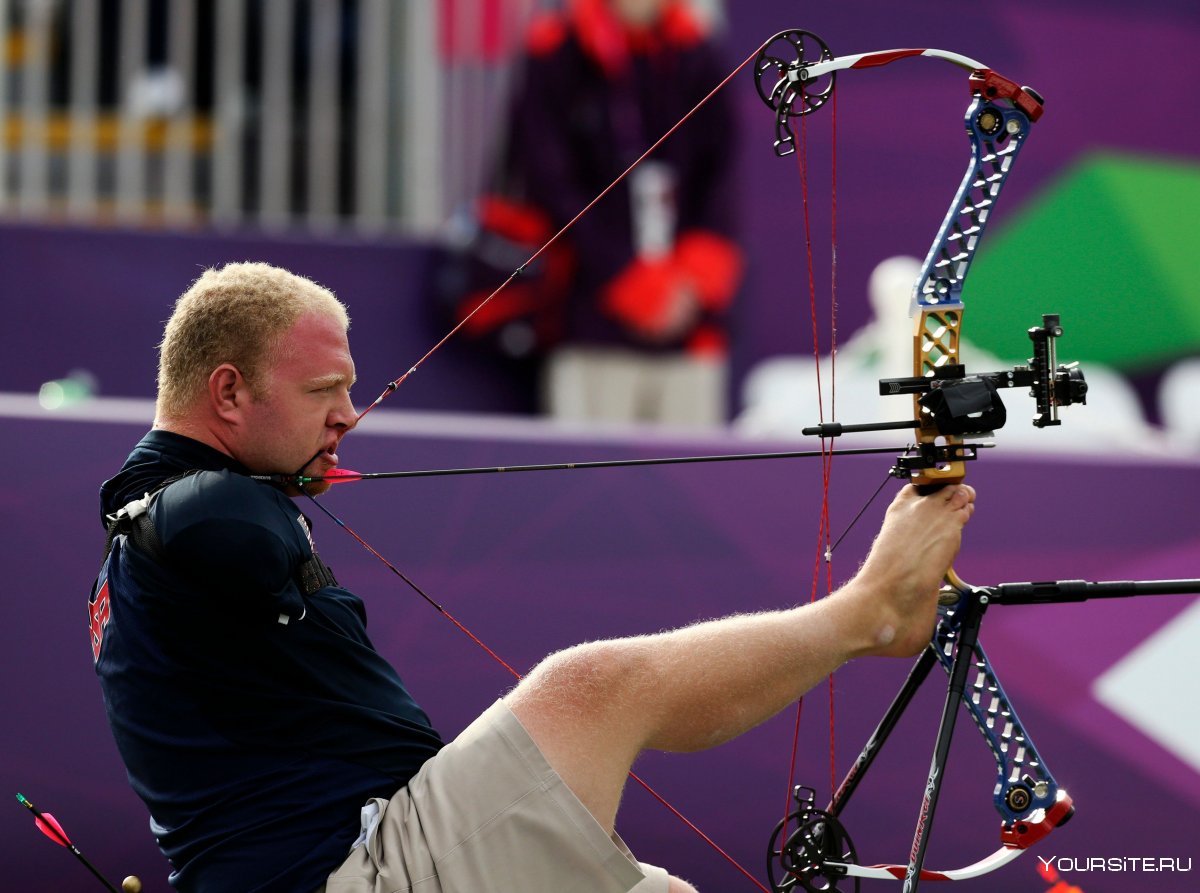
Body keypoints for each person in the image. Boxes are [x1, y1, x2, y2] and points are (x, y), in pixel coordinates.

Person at [91, 262, 976, 892]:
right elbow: (205, 523)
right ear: (231, 393)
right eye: (325, 388)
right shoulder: (180, 516)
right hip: (343, 872)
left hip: (377, 851)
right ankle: (871, 613)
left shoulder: (188, 519)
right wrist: (260, 512)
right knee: (587, 688)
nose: (348, 413)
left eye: (352, 386)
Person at [500, 0, 743, 426]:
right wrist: (623, 277)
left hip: (688, 327)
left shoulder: (697, 50)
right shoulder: (559, 50)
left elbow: (721, 176)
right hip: (590, 324)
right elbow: (548, 184)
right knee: (588, 483)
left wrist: (693, 281)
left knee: (688, 485)